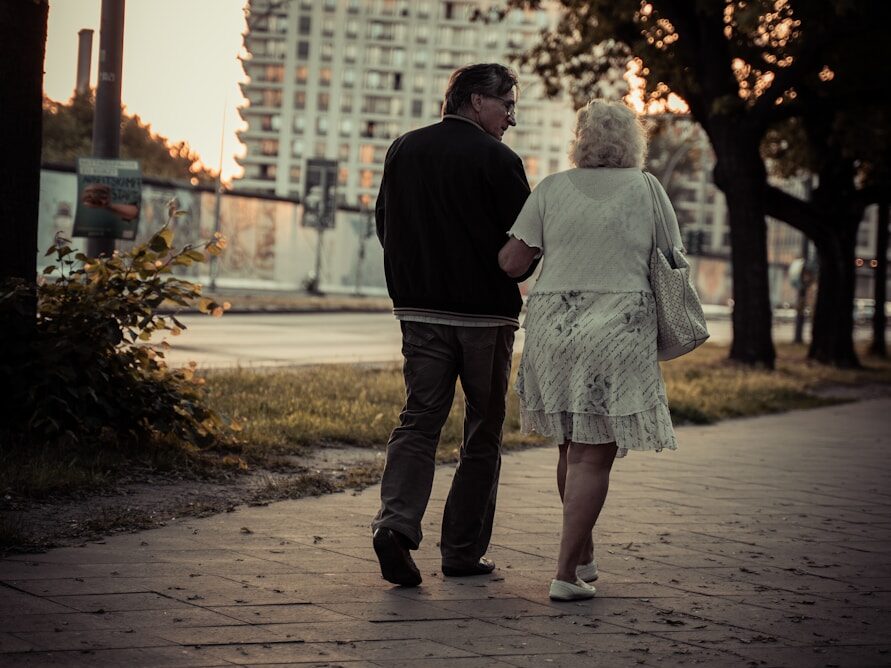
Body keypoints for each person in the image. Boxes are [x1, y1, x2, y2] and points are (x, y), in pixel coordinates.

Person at [498, 99, 680, 601]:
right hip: (619, 327)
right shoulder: (646, 188)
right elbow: (671, 256)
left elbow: (514, 262)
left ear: (580, 140)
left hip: (554, 325)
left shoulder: (553, 188)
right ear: (633, 141)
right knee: (592, 458)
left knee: (571, 446)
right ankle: (564, 575)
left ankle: (584, 554)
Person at [371, 63, 537, 587]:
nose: (512, 117)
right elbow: (522, 247)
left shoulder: (403, 149)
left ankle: (395, 527)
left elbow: (385, 224)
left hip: (419, 313)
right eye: (506, 105)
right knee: (483, 428)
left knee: (419, 418)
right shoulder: (501, 161)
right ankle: (461, 550)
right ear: (473, 100)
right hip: (485, 318)